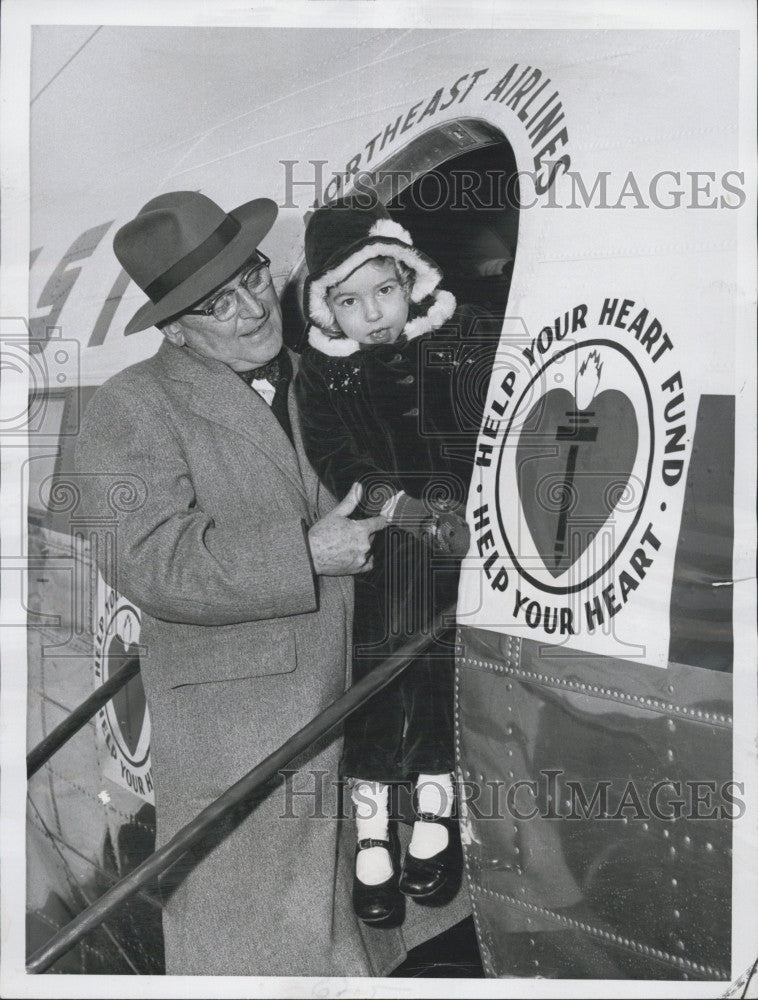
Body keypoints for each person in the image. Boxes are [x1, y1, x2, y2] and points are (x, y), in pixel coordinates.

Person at [73, 190, 395, 976]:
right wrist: (303, 554)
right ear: (176, 329)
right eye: (220, 305)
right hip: (244, 745)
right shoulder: (132, 405)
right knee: (260, 958)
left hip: (361, 714)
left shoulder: (327, 369)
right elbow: (147, 556)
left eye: (252, 277)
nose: (254, 308)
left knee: (373, 948)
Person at [295, 198, 491, 928]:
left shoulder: (462, 336)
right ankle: (373, 826)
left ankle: (436, 804)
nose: (372, 313)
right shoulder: (325, 378)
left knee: (442, 676)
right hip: (381, 547)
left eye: (385, 289)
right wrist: (403, 509)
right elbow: (340, 462)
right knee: (378, 680)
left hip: (463, 544)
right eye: (349, 301)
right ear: (327, 310)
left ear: (410, 278)